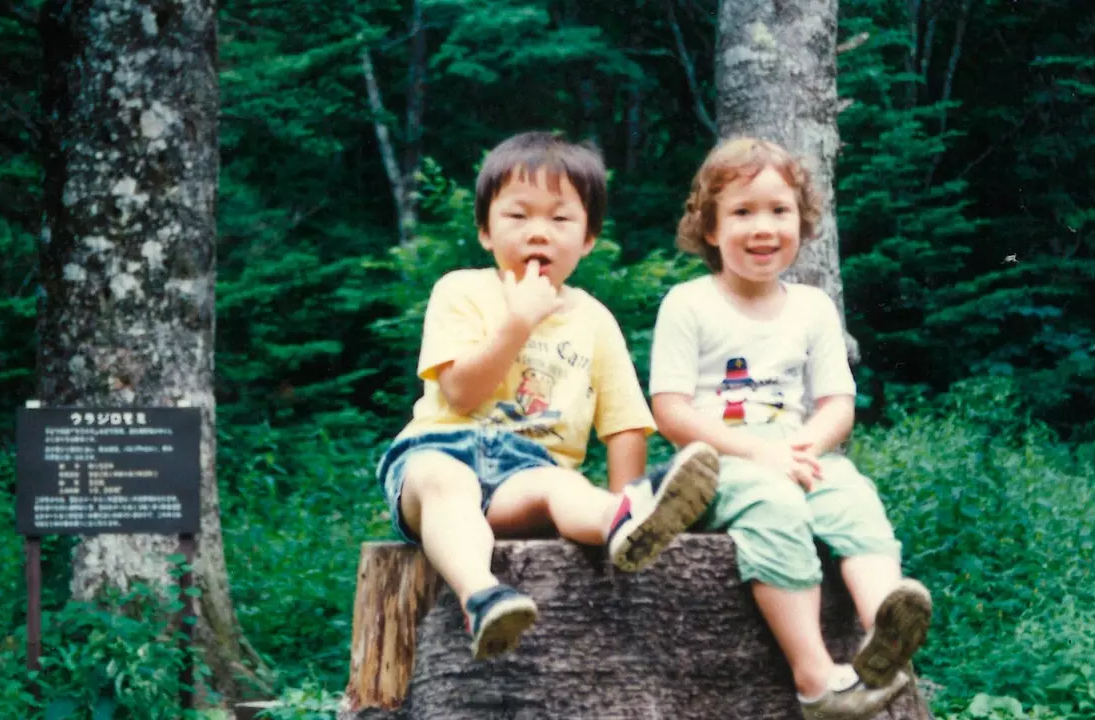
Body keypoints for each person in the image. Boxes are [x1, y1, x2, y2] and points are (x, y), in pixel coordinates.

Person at [376, 131, 719, 661]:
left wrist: (623, 488)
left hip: (527, 472)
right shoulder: (461, 290)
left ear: (587, 239)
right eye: (518, 216)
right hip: (436, 453)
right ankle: (482, 596)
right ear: (486, 231)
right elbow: (461, 392)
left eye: (560, 220)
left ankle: (628, 522)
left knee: (562, 487)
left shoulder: (596, 321)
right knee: (449, 483)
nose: (539, 233)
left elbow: (624, 423)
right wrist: (519, 321)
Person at [649, 136, 932, 719]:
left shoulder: (812, 308)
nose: (763, 227)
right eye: (742, 212)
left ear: (801, 225)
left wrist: (807, 447)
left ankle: (886, 622)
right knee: (772, 503)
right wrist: (761, 455)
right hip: (716, 466)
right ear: (709, 228)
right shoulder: (688, 302)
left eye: (779, 211)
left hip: (796, 454)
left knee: (852, 492)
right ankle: (814, 679)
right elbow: (671, 411)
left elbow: (837, 404)